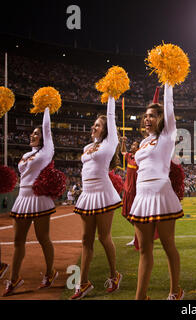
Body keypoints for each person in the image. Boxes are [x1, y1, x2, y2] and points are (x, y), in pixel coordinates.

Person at [126, 83, 184, 300]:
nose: (147, 119)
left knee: (169, 246)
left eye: (152, 115)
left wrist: (169, 80)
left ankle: (174, 291)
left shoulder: (167, 135)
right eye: (145, 116)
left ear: (160, 118)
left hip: (161, 195)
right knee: (144, 250)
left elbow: (169, 107)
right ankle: (140, 297)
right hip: (142, 197)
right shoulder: (143, 142)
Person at [71, 96, 123, 300]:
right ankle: (83, 283)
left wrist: (110, 95)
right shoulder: (86, 148)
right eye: (93, 124)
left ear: (106, 129)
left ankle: (114, 275)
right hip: (87, 194)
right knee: (86, 240)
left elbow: (111, 115)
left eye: (98, 125)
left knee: (103, 237)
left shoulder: (110, 143)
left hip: (103, 194)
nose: (94, 127)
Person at [3, 107, 58, 296]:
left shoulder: (47, 151)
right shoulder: (26, 155)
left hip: (39, 199)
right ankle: (14, 279)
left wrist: (46, 107)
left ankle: (50, 273)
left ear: (44, 138)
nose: (32, 136)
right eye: (32, 133)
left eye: (36, 133)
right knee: (18, 241)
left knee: (43, 239)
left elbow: (47, 128)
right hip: (22, 199)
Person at [120, 138, 141, 250]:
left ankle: (138, 236)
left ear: (138, 148)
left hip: (135, 192)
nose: (132, 146)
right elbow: (123, 152)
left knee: (133, 216)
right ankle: (139, 233)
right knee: (125, 214)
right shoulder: (129, 157)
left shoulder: (139, 158)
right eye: (132, 144)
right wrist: (123, 142)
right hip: (127, 191)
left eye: (134, 144)